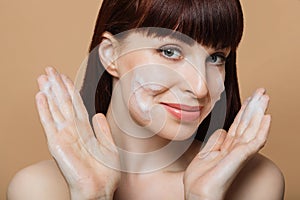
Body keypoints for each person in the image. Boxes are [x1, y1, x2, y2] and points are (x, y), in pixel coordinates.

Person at [7, 0, 285, 199]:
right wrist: (92, 196)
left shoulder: (255, 182)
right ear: (110, 55)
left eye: (216, 58)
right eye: (169, 52)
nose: (201, 87)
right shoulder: (38, 189)